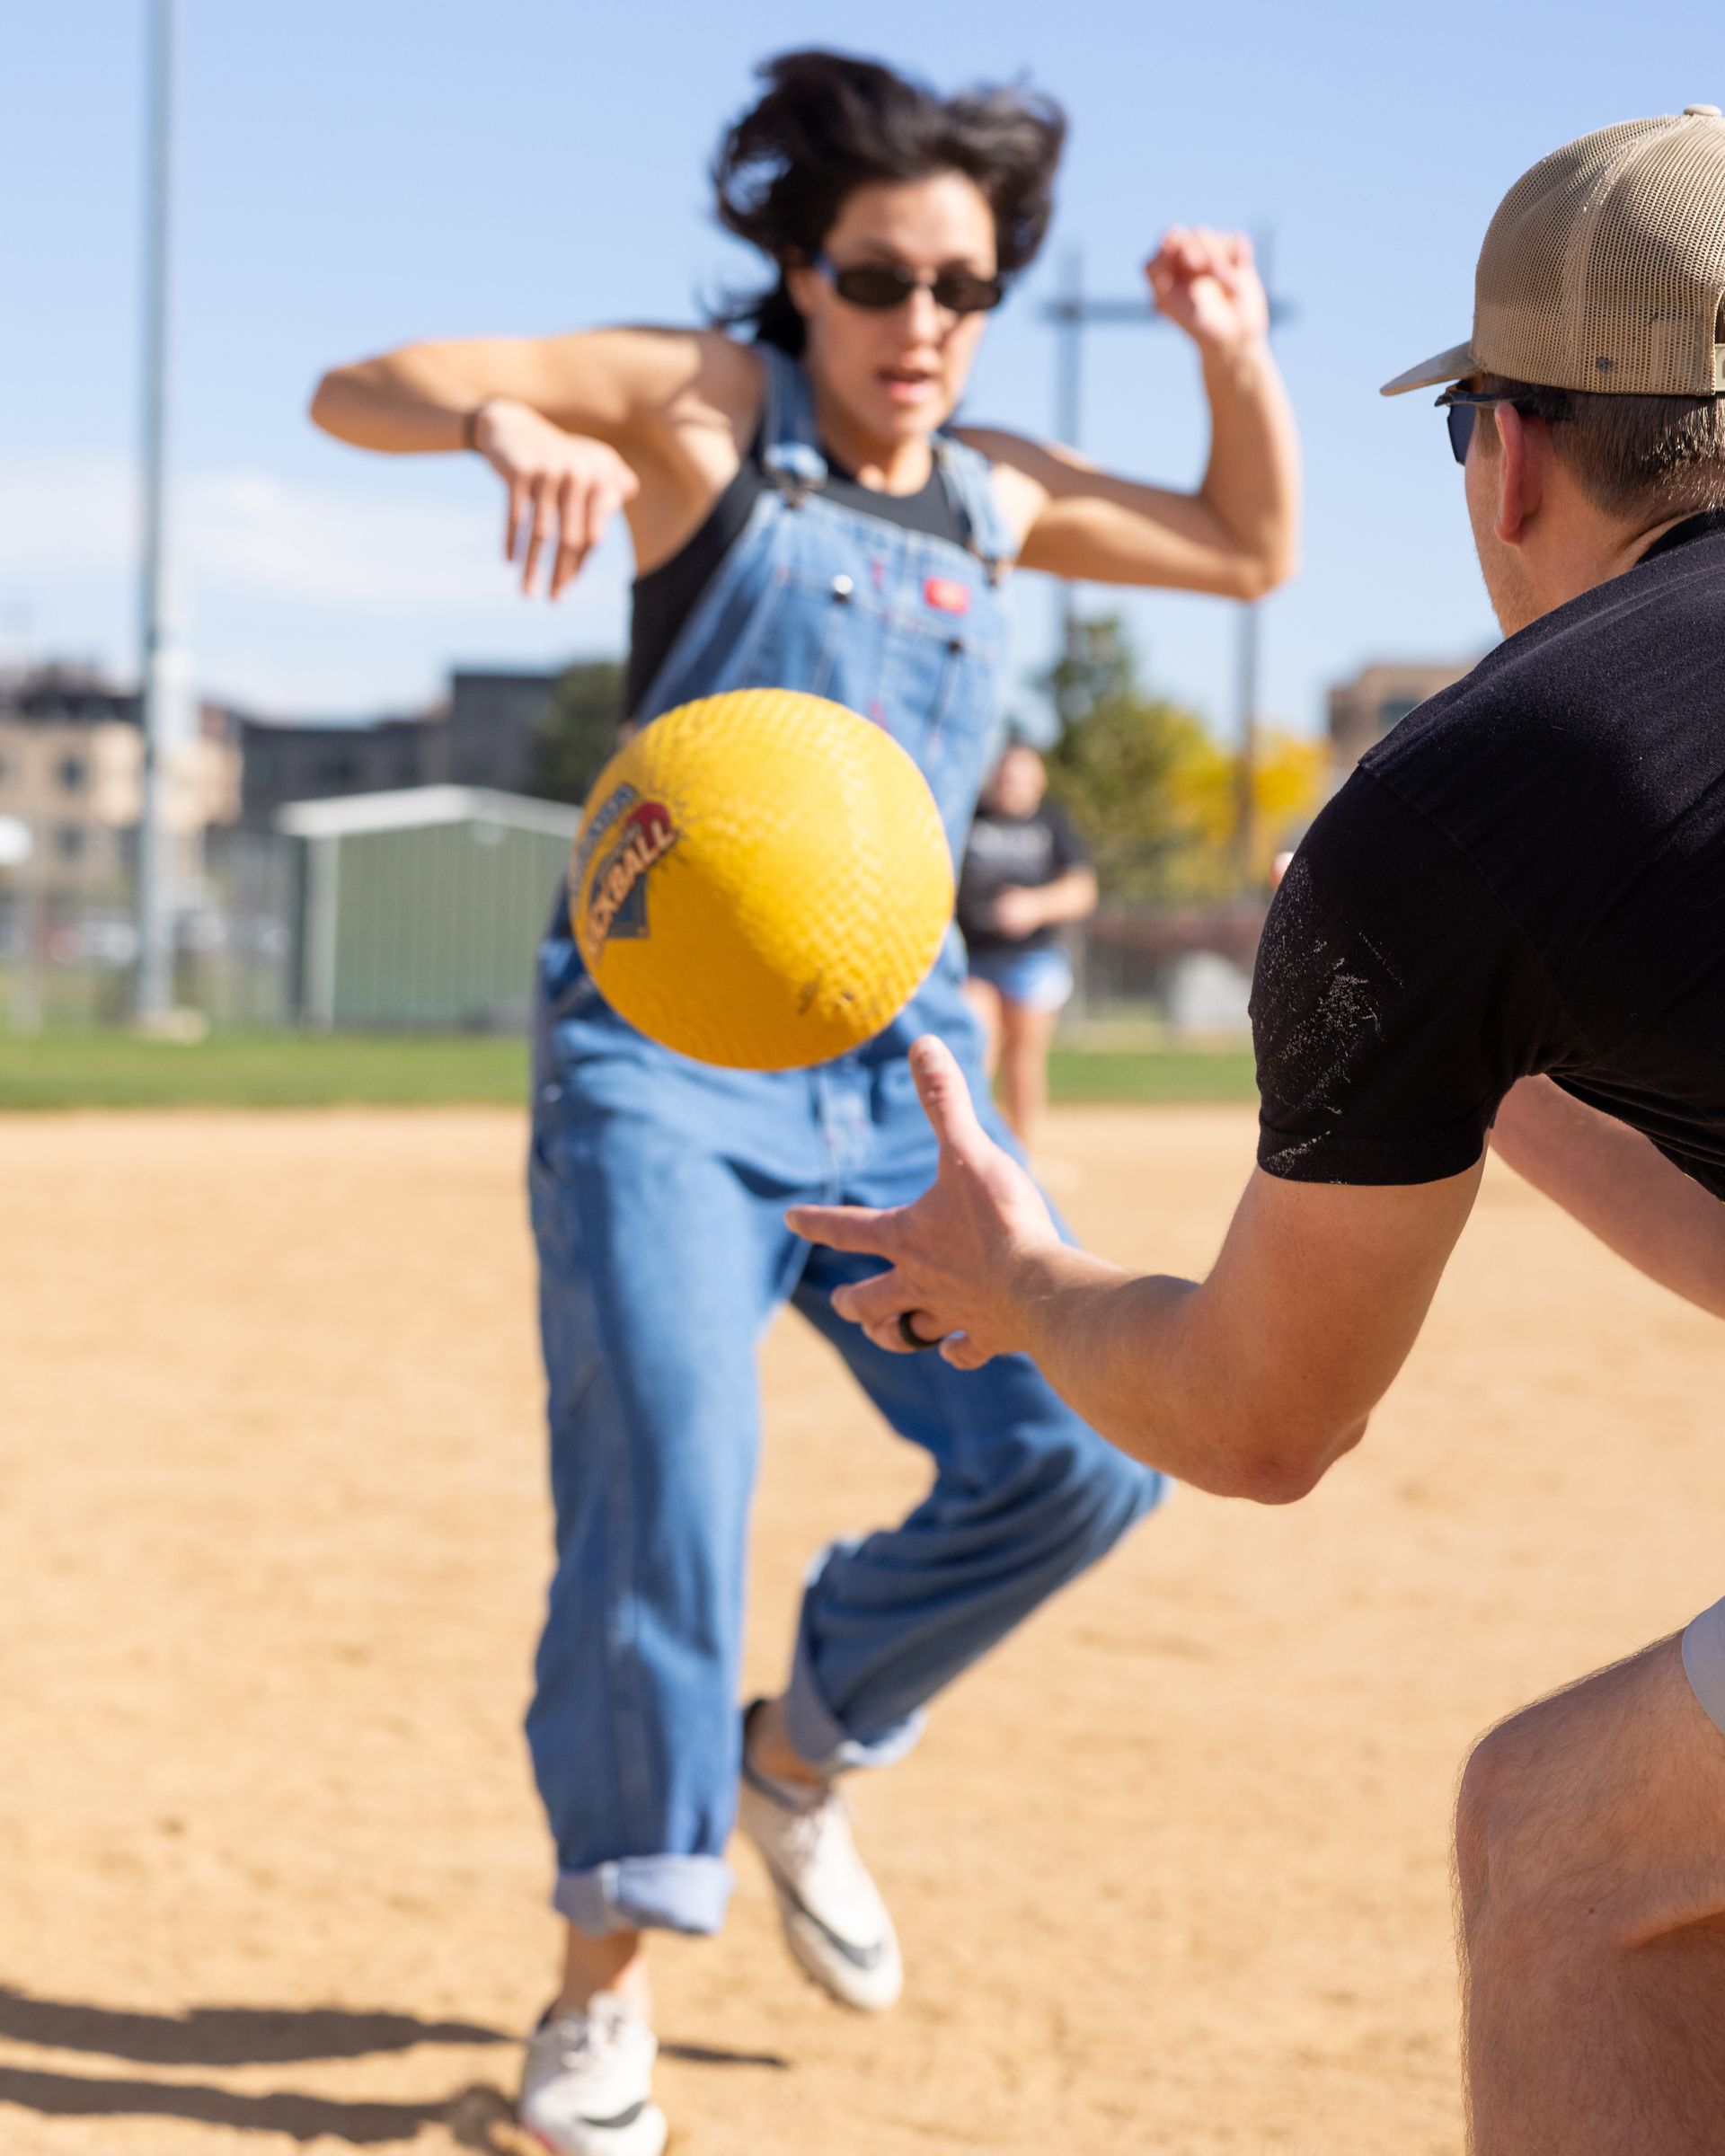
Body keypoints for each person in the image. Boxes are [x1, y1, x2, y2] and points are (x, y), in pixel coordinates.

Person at [311, 47, 1297, 2156]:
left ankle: (808, 1743)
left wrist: (1231, 354)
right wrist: (497, 416)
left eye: (964, 288)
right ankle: (608, 1972)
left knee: (1096, 1448)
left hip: (899, 1057)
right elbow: (357, 382)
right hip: (655, 1065)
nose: (923, 327)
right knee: (669, 1469)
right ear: (800, 272)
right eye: (879, 279)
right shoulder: (699, 412)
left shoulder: (994, 491)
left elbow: (1246, 546)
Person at [787, 104, 1725, 2154]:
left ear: (1512, 451)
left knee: (1564, 1846)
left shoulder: (1478, 792)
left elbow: (1256, 1416)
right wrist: (1505, 1068)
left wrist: (1017, 1277)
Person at [958, 738, 1096, 1150]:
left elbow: (1082, 890)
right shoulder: (971, 818)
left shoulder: (1052, 823)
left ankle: (1021, 1152)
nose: (1012, 784)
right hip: (974, 958)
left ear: (1038, 781)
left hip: (1032, 959)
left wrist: (1033, 906)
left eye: (1022, 777)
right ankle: (975, 1148)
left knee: (1024, 1056)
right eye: (1005, 775)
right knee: (977, 1046)